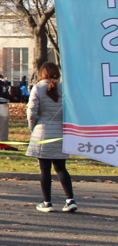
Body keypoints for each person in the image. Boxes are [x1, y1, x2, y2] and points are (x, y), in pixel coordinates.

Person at [26, 62, 74, 213]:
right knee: (61, 168)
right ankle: (70, 200)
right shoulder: (65, 89)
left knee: (44, 169)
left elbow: (32, 111)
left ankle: (47, 202)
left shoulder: (38, 88)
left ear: (42, 73)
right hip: (61, 133)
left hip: (43, 132)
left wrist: (32, 127)